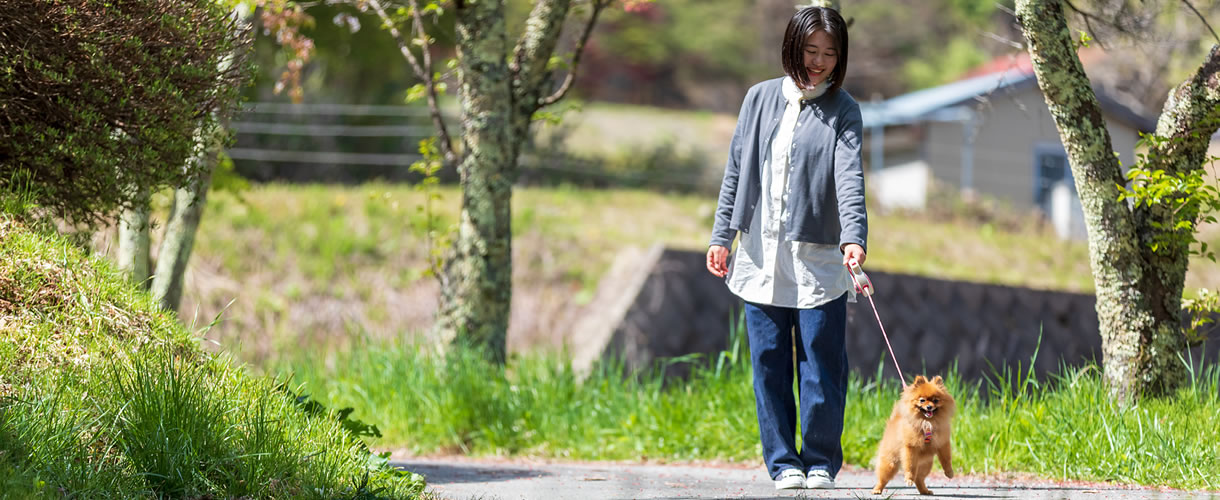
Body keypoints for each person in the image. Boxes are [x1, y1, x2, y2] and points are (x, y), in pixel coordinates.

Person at [705, 6, 866, 491]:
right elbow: (736, 171)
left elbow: (849, 177)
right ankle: (782, 462)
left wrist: (854, 236)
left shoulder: (844, 109)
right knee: (769, 363)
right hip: (760, 254)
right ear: (791, 47)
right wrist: (720, 236)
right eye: (810, 51)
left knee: (821, 364)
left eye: (829, 55)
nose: (818, 63)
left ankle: (819, 459)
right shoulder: (757, 99)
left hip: (817, 258)